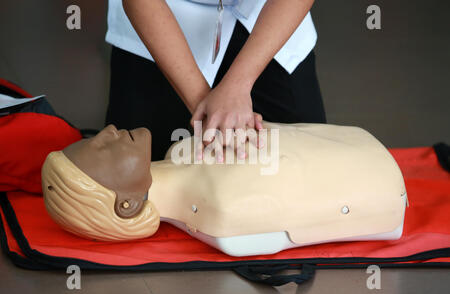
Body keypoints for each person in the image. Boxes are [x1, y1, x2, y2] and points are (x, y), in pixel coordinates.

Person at [41, 123, 407, 255]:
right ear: (127, 205)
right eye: (101, 149)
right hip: (377, 176)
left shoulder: (182, 150)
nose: (105, 131)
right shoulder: (223, 209)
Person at [104, 0, 326, 161]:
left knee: (310, 163)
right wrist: (209, 115)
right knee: (136, 170)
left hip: (267, 13)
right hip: (164, 15)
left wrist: (237, 86)